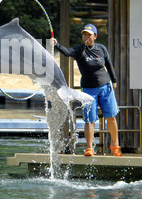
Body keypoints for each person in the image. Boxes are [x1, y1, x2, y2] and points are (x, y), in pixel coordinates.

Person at [50, 24, 122, 157]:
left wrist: (114, 80)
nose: (86, 37)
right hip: (88, 89)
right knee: (90, 120)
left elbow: (109, 64)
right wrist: (57, 44)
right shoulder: (79, 49)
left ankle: (115, 145)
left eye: (89, 34)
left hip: (105, 86)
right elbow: (67, 52)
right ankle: (90, 148)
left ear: (95, 36)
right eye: (84, 34)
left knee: (111, 116)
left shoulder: (101, 48)